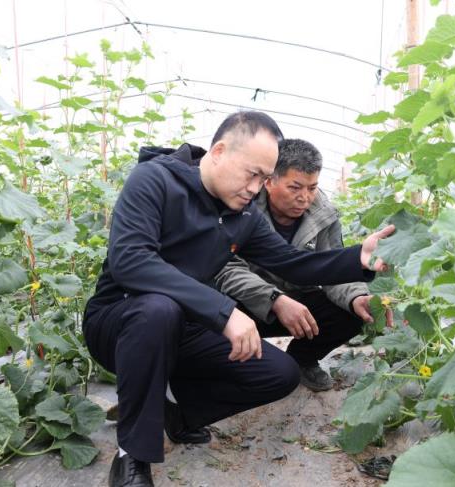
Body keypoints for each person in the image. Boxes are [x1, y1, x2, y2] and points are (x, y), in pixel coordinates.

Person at [81, 111, 394, 487]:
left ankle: (178, 412)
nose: (256, 187)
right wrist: (224, 312)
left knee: (278, 374)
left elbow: (292, 263)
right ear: (219, 151)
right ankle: (131, 457)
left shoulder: (242, 215)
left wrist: (355, 259)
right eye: (253, 173)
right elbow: (132, 261)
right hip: (120, 324)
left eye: (264, 177)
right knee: (157, 308)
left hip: (183, 327)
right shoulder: (154, 179)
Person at [214, 139, 374, 392]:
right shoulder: (243, 205)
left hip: (297, 303)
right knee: (209, 319)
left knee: (349, 314)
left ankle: (300, 361)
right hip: (245, 303)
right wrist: (274, 299)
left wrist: (356, 297)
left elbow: (333, 266)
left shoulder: (325, 214)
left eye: (312, 188)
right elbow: (225, 268)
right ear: (269, 181)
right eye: (295, 187)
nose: (305, 198)